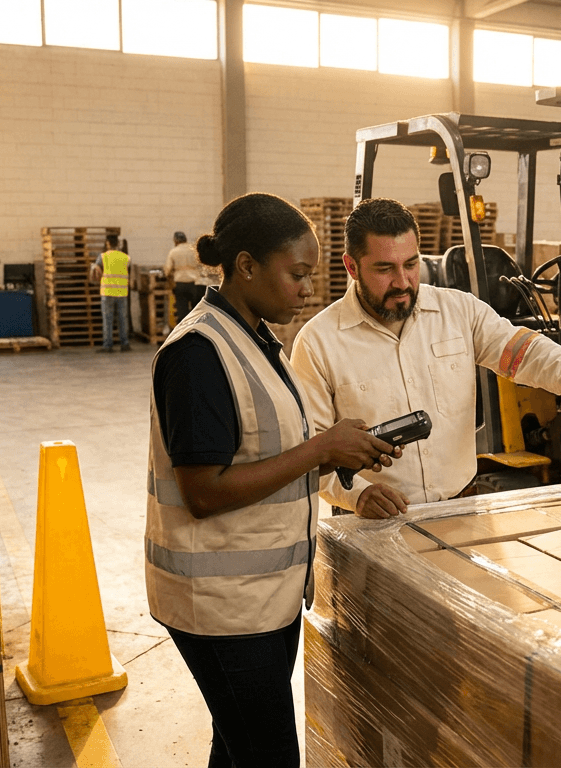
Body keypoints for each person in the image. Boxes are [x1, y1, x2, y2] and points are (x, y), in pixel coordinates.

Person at [145, 192, 400, 768]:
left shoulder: (257, 338)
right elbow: (204, 491)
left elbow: (267, 450)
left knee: (235, 747)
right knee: (268, 756)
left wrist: (336, 454)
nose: (307, 290)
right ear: (246, 266)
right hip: (220, 608)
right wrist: (319, 447)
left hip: (262, 600)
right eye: (297, 275)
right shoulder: (198, 353)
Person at [290, 198, 561, 519]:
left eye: (410, 265)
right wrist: (358, 496)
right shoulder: (319, 343)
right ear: (351, 266)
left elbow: (527, 352)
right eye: (385, 269)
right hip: (372, 521)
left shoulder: (458, 312)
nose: (402, 282)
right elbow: (311, 452)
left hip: (462, 510)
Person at [89, 233, 131, 352]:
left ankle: (108, 345)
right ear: (118, 243)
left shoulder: (103, 257)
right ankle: (125, 344)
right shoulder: (126, 257)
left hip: (107, 292)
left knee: (108, 319)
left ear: (107, 243)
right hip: (122, 292)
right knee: (122, 319)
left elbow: (95, 270)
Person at [164, 231, 206, 322]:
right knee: (196, 311)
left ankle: (184, 332)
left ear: (175, 240)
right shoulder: (193, 250)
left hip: (180, 284)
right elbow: (202, 265)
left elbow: (167, 270)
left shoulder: (173, 251)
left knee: (182, 311)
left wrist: (168, 276)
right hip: (196, 283)